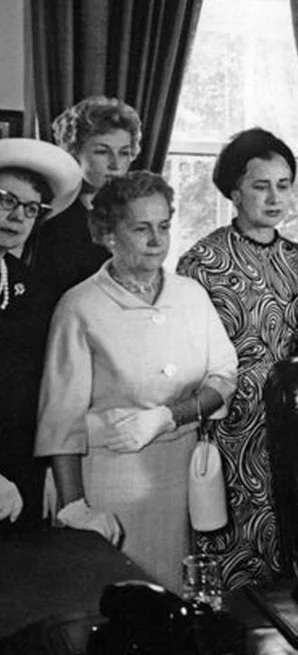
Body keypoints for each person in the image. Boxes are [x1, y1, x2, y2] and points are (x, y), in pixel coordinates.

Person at [36, 172, 237, 591]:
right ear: (108, 233)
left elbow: (223, 377)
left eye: (163, 226)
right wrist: (75, 507)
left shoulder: (190, 295)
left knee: (171, 595)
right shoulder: (80, 306)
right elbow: (61, 421)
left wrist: (169, 416)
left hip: (177, 472)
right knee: (114, 602)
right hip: (107, 477)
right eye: (141, 228)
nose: (157, 240)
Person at [177, 128, 298, 589]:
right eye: (261, 185)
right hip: (228, 432)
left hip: (285, 427)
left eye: (284, 184)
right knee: (227, 553)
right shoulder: (202, 261)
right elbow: (189, 355)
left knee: (289, 548)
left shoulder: (297, 258)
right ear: (234, 191)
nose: (275, 197)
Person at [0, 139, 83, 530]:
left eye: (31, 209)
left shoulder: (30, 288)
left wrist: (49, 466)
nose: (17, 217)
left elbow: (41, 388)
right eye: (6, 200)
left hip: (20, 477)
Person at [31, 96, 142, 296]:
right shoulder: (49, 215)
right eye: (102, 152)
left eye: (124, 153)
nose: (115, 164)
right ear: (74, 151)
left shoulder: (133, 214)